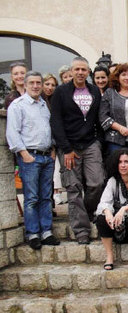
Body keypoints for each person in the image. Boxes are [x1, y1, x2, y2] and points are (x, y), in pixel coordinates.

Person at [50, 56, 105, 245]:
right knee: (73, 189)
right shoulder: (61, 92)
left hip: (90, 144)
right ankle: (81, 230)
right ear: (71, 71)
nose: (80, 72)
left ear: (88, 72)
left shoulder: (94, 91)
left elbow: (97, 119)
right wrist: (66, 149)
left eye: (84, 69)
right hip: (69, 147)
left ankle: (89, 212)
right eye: (77, 69)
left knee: (97, 182)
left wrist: (98, 141)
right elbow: (56, 122)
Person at [6, 71, 60, 249]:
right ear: (26, 85)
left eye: (39, 83)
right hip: (30, 156)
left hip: (46, 156)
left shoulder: (44, 105)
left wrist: (52, 148)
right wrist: (23, 153)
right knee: (31, 198)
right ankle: (33, 233)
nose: (36, 86)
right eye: (32, 83)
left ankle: (46, 232)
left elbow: (48, 128)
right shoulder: (18, 105)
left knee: (45, 197)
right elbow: (12, 132)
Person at [41, 73, 64, 205]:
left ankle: (50, 205)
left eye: (53, 85)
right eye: (47, 84)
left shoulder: (54, 101)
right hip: (44, 145)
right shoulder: (40, 101)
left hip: (53, 145)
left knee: (51, 177)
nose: (50, 87)